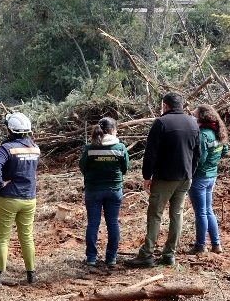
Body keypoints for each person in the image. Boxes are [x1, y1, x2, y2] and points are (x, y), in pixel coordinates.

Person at [126, 92, 202, 268]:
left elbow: (151, 153)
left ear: (166, 106)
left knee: (155, 215)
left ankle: (147, 254)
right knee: (177, 215)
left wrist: (147, 176)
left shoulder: (161, 123)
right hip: (185, 177)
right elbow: (198, 153)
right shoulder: (192, 122)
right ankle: (169, 254)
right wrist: (191, 171)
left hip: (165, 178)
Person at [0, 112, 40, 286]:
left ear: (10, 130)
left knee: (2, 238)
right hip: (29, 198)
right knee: (27, 237)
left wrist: (0, 184)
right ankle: (31, 274)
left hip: (8, 198)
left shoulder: (7, 148)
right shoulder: (35, 148)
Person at [79, 117, 129, 267]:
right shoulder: (120, 148)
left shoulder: (90, 148)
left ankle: (91, 258)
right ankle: (111, 258)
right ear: (113, 130)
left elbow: (83, 168)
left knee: (93, 224)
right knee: (113, 223)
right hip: (114, 190)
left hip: (93, 190)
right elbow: (125, 168)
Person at [188, 105, 229, 254]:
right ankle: (216, 244)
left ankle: (200, 245)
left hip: (200, 178)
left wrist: (189, 171)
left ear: (201, 117)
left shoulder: (203, 134)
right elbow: (224, 150)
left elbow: (200, 158)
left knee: (200, 212)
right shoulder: (217, 131)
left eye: (194, 114)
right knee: (208, 210)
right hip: (212, 176)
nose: (192, 117)